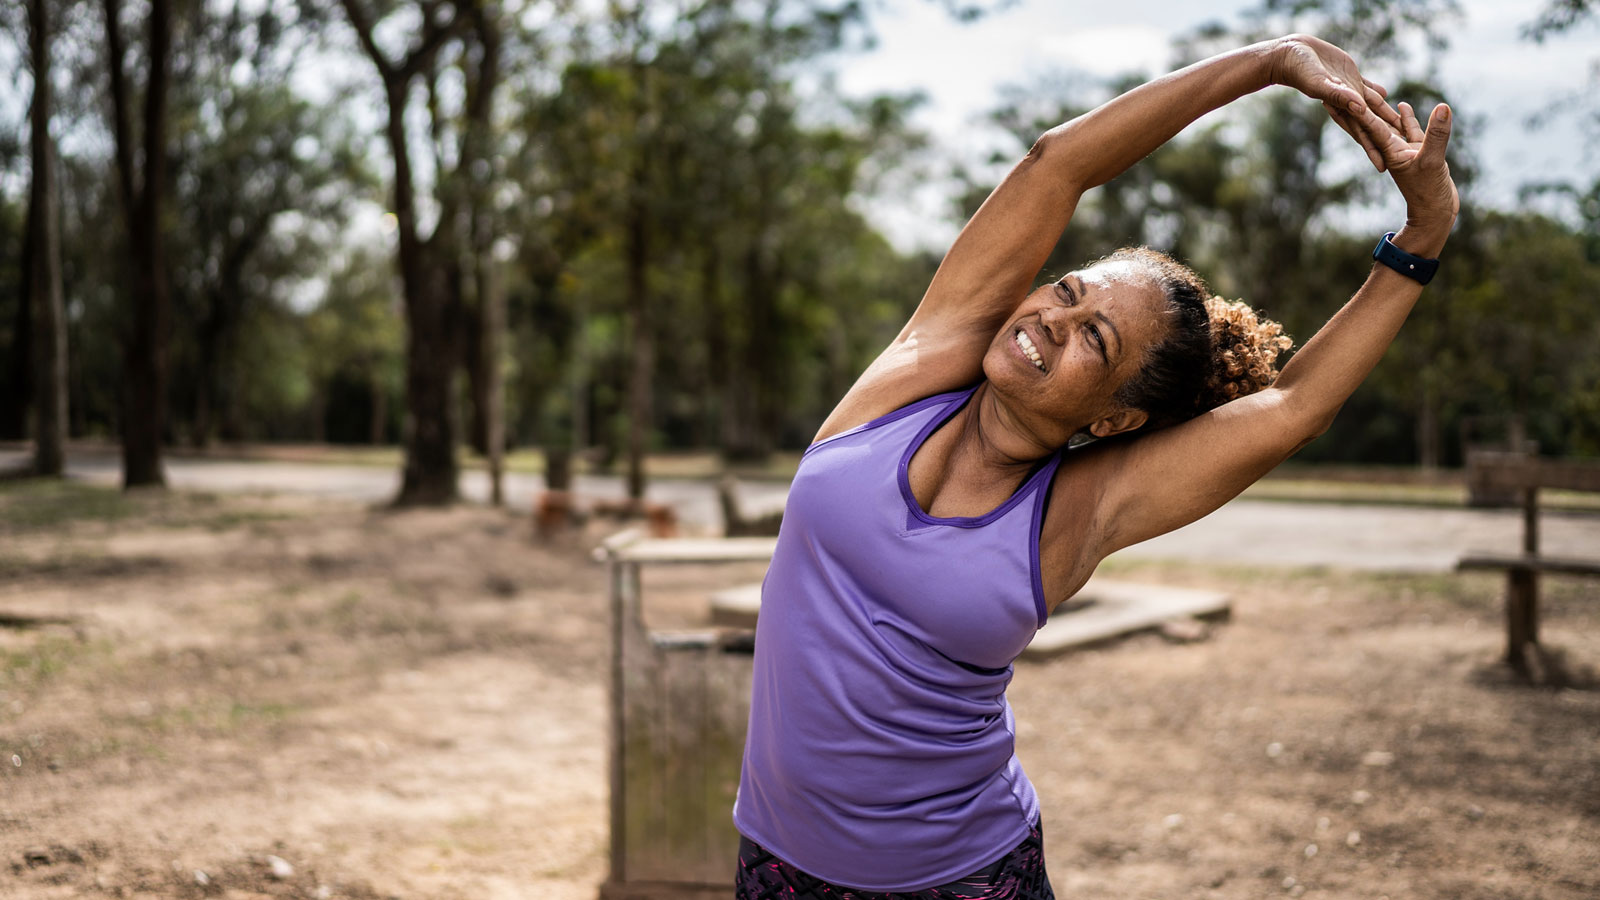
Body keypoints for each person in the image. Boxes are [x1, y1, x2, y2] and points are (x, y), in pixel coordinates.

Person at [732, 33, 1458, 899]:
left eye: (1094, 340)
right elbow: (1056, 165)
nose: (1050, 321)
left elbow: (1297, 407)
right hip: (775, 862)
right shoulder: (919, 371)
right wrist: (1271, 60)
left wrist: (1424, 230)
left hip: (962, 878)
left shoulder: (1081, 507)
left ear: (1115, 415)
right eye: (1066, 293)